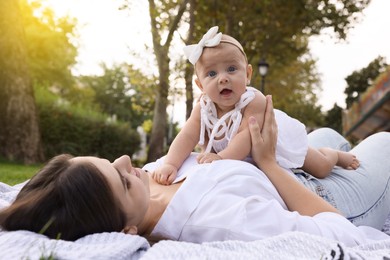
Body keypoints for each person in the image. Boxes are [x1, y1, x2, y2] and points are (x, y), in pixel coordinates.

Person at [0, 96, 389, 247]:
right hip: (326, 198)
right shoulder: (217, 221)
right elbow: (342, 235)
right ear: (125, 232)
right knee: (383, 143)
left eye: (109, 161)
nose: (125, 163)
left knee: (326, 136)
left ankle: (336, 150)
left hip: (294, 161)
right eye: (120, 178)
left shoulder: (147, 184)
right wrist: (268, 161)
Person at [153, 26, 359, 185]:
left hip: (277, 145)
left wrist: (220, 158)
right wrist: (171, 163)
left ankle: (333, 154)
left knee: (321, 168)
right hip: (243, 159)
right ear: (200, 85)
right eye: (212, 74)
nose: (223, 78)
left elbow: (245, 137)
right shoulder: (204, 107)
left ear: (248, 74)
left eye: (231, 69)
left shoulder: (252, 101)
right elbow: (187, 136)